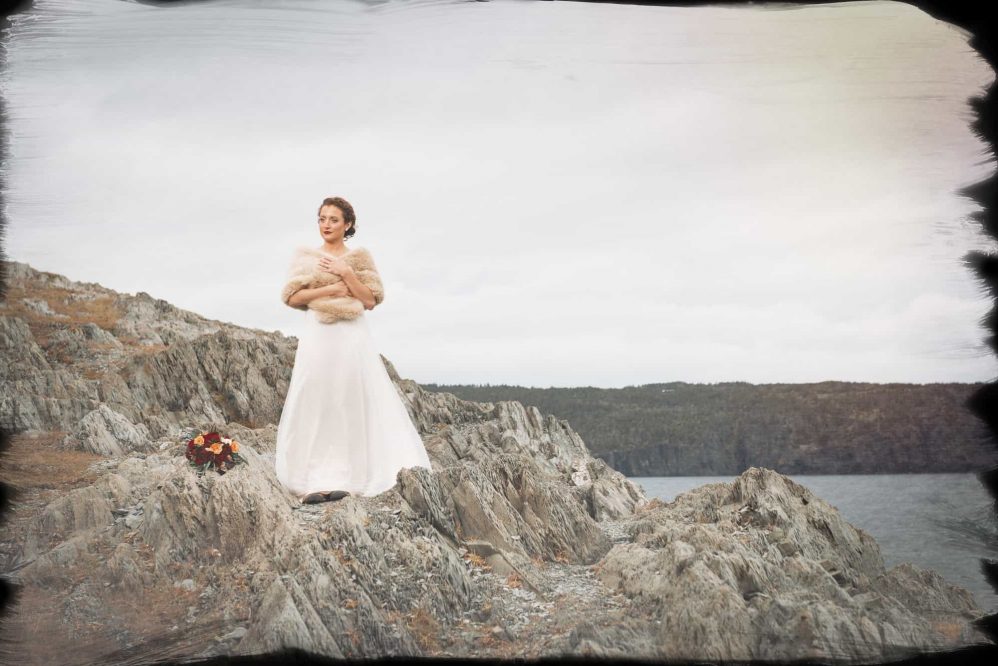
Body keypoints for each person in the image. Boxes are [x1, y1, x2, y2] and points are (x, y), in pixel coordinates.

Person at [274, 196, 433, 504]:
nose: (326, 225)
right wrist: (330, 290)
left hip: (350, 336)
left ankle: (349, 477)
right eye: (322, 219)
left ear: (347, 225)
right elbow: (292, 298)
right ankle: (311, 480)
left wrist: (346, 273)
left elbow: (370, 300)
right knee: (316, 396)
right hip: (318, 335)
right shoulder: (306, 256)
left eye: (333, 220)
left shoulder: (359, 258)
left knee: (348, 398)